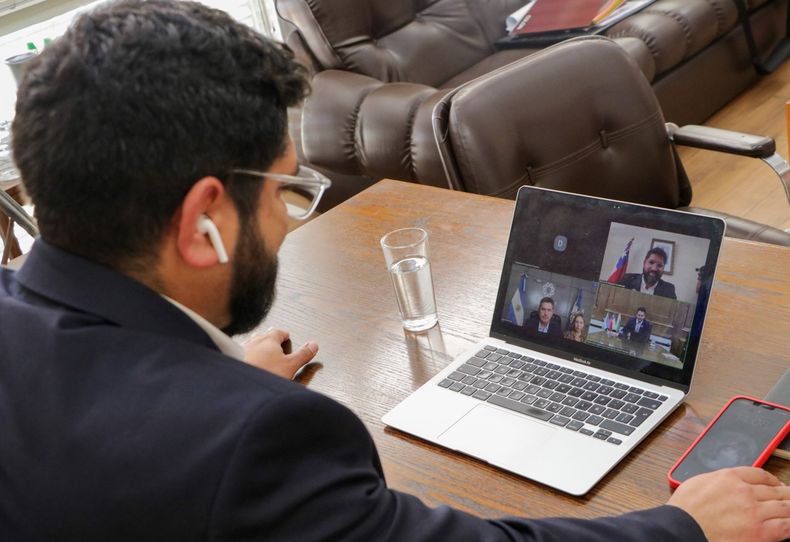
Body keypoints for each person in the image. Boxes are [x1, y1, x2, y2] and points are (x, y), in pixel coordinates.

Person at [1, 1, 789, 540]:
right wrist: (687, 527)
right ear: (204, 222)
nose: (286, 220)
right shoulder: (253, 443)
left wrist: (207, 373)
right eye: (286, 191)